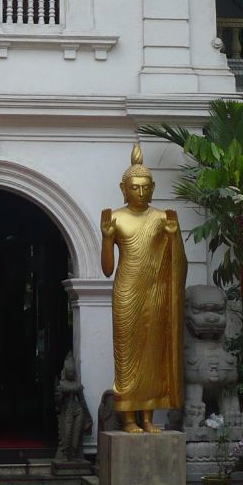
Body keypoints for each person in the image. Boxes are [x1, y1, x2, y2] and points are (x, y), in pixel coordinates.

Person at [101, 143, 187, 434]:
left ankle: (148, 417)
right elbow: (106, 268)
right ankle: (127, 418)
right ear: (122, 188)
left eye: (145, 188)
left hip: (156, 292)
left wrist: (174, 239)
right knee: (127, 354)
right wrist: (106, 238)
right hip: (126, 290)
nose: (140, 193)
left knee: (153, 352)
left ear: (153, 187)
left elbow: (178, 265)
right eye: (134, 188)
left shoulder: (163, 218)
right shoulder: (116, 216)